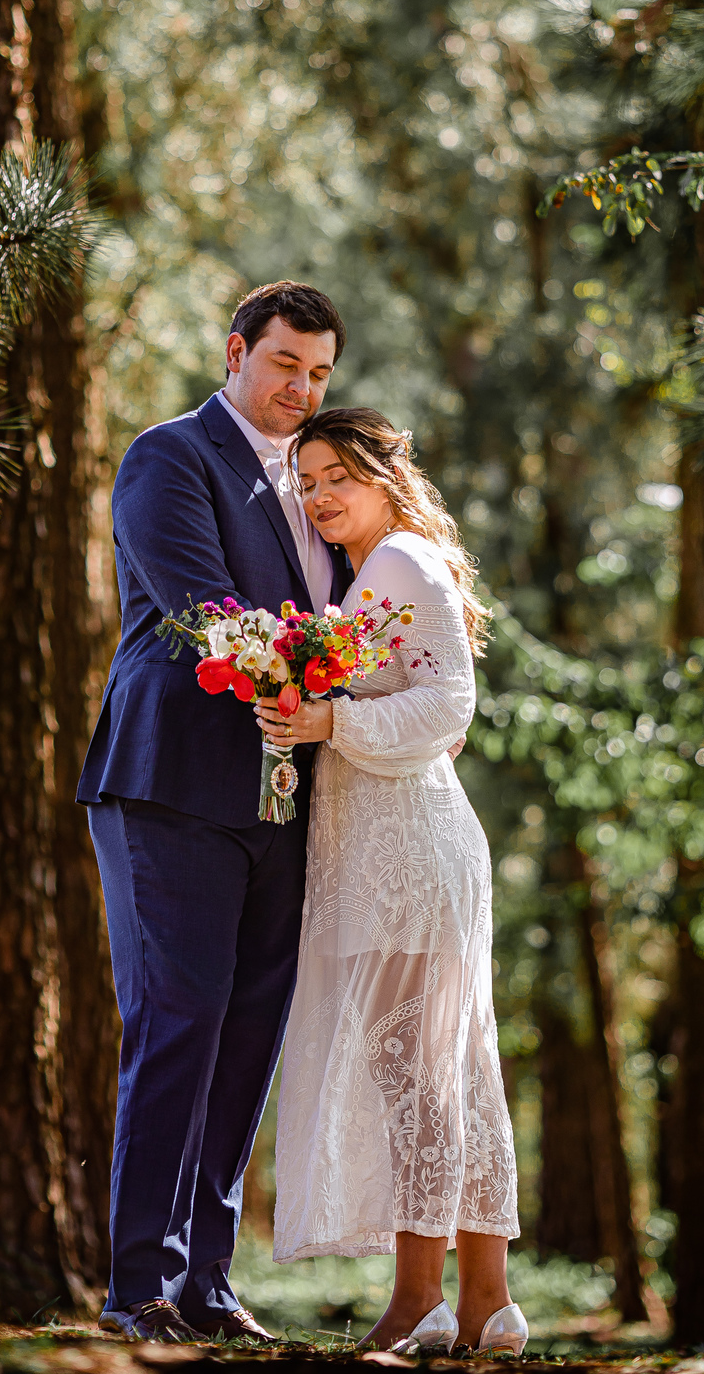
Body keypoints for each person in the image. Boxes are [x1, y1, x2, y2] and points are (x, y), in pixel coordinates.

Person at [77, 281, 350, 1344]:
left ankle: (208, 1287)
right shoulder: (170, 455)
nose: (301, 388)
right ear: (236, 353)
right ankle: (139, 1287)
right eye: (285, 364)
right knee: (177, 1025)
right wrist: (328, 671)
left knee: (248, 1036)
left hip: (285, 797)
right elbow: (204, 611)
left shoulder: (321, 484)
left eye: (319, 373)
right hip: (172, 782)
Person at [257, 408, 527, 1357]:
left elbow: (451, 703)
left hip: (406, 849)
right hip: (390, 839)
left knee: (415, 1071)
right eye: (307, 482)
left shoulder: (400, 562)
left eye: (339, 476)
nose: (321, 496)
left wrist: (329, 722)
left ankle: (418, 1303)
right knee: (446, 1070)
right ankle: (487, 1305)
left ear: (383, 476)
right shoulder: (374, 571)